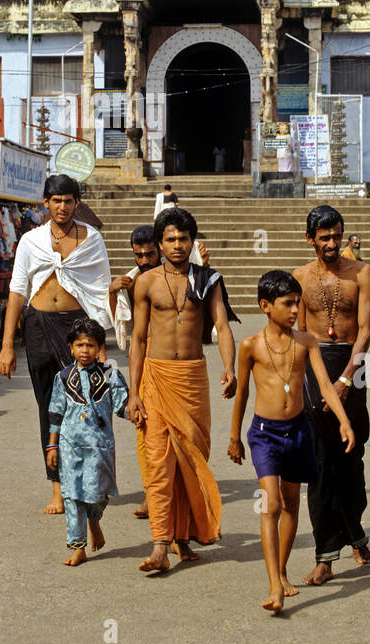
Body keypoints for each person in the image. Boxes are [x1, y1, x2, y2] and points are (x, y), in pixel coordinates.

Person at [228, 270, 354, 612]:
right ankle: (274, 586)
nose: (295, 309)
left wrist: (344, 421)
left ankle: (281, 570)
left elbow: (326, 385)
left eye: (298, 302)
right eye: (288, 303)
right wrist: (234, 436)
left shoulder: (307, 342)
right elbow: (241, 393)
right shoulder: (250, 345)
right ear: (266, 306)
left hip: (298, 431)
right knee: (270, 505)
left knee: (291, 505)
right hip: (265, 434)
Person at [127, 206, 237, 572]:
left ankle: (183, 538)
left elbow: (221, 324)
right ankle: (159, 543)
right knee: (159, 462)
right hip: (155, 379)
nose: (177, 245)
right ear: (159, 244)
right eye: (170, 239)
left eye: (183, 239)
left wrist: (230, 368)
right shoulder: (146, 283)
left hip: (192, 379)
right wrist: (134, 392)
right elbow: (138, 338)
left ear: (193, 242)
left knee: (191, 460)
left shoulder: (208, 280)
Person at [0, 174, 112, 515]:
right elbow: (17, 291)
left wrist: (100, 345)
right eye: (57, 200)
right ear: (45, 202)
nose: (63, 207)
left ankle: (88, 481)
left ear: (77, 203)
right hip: (37, 326)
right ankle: (58, 488)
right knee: (49, 408)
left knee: (86, 407)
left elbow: (99, 293)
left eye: (69, 200)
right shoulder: (31, 241)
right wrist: (7, 345)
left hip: (77, 329)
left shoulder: (91, 239)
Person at [292, 204, 370, 583]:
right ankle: (325, 555)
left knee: (351, 456)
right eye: (324, 237)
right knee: (320, 463)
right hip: (314, 367)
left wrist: (346, 378)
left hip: (350, 367)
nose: (331, 243)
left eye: (336, 236)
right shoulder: (299, 277)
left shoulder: (361, 273)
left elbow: (365, 331)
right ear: (311, 239)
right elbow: (295, 334)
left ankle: (354, 532)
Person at [109, 223, 209, 520]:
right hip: (147, 359)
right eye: (138, 255)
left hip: (179, 365)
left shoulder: (184, 274)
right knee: (146, 430)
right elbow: (121, 325)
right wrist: (113, 293)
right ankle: (153, 492)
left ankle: (185, 494)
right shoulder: (134, 280)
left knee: (185, 432)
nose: (143, 259)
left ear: (159, 248)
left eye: (148, 253)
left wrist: (206, 266)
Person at [45, 318, 129, 566]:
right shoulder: (62, 377)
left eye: (90, 345)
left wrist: (140, 414)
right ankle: (77, 546)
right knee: (72, 495)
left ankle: (94, 520)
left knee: (98, 494)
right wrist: (52, 445)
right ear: (71, 347)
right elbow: (56, 411)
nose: (85, 350)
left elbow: (124, 405)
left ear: (99, 348)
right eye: (79, 345)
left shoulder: (111, 375)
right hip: (69, 445)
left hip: (100, 447)